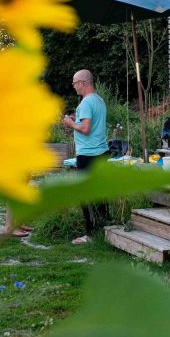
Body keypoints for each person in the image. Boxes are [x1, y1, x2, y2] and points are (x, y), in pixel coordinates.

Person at [62, 69, 109, 244]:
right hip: (101, 153)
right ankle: (103, 228)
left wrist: (70, 122)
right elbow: (90, 122)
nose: (74, 86)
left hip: (89, 154)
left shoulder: (87, 102)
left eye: (75, 83)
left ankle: (90, 235)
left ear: (83, 82)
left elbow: (86, 129)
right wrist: (78, 119)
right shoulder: (99, 100)